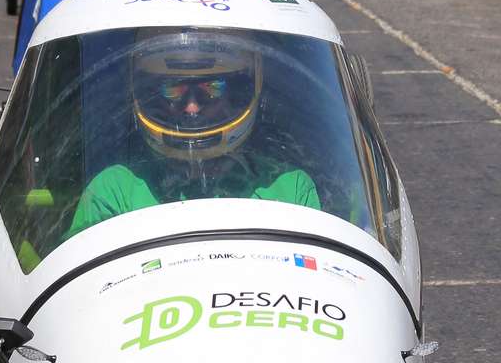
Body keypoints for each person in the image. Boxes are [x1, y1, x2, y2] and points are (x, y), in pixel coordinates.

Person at [67, 29, 320, 236]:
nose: (191, 108)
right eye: (173, 89)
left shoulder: (289, 189)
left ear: (237, 94)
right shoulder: (115, 190)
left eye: (211, 88)